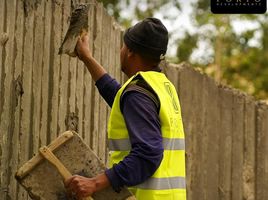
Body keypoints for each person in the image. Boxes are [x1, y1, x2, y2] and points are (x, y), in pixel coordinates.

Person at [65, 18, 186, 200]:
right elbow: (120, 97)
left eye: (123, 46)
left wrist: (94, 183)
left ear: (130, 51)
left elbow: (147, 154)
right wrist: (87, 58)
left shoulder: (138, 93)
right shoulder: (162, 87)